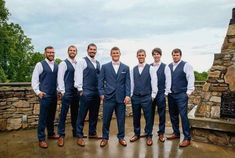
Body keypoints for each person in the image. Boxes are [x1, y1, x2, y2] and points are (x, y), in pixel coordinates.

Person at [98, 47, 131, 147]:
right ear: (111, 54)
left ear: (120, 54)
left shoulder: (126, 67)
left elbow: (127, 83)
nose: (115, 54)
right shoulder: (105, 67)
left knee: (121, 119)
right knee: (106, 119)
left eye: (117, 53)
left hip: (121, 98)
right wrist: (101, 94)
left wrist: (127, 95)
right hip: (108, 97)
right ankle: (105, 137)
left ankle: (121, 137)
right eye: (113, 53)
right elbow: (100, 81)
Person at [31, 46, 59, 149]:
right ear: (45, 53)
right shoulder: (40, 64)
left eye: (52, 52)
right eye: (49, 52)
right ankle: (41, 139)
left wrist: (59, 90)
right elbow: (34, 80)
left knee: (51, 116)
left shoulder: (56, 66)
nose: (51, 54)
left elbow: (57, 80)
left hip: (54, 95)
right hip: (44, 95)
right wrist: (38, 92)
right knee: (43, 117)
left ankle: (51, 134)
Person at [167, 48, 195, 147]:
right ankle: (176, 133)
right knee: (173, 114)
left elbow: (190, 78)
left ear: (180, 55)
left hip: (181, 94)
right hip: (171, 94)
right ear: (172, 55)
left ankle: (187, 138)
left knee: (183, 116)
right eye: (174, 55)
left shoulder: (186, 65)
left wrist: (188, 92)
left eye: (177, 55)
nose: (175, 56)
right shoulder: (169, 66)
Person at [74, 43, 101, 147]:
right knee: (82, 115)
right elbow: (78, 75)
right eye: (91, 49)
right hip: (85, 92)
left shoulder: (98, 63)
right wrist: (80, 90)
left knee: (94, 114)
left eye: (94, 50)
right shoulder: (82, 61)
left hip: (96, 93)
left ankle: (92, 132)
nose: (93, 51)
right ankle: (79, 135)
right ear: (87, 50)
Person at [129, 49, 153, 146]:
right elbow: (131, 83)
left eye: (142, 55)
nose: (141, 57)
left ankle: (149, 135)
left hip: (147, 96)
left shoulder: (150, 68)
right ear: (137, 56)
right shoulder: (133, 69)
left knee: (148, 117)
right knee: (136, 116)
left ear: (145, 56)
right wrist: (131, 94)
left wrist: (153, 95)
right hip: (135, 97)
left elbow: (154, 81)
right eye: (139, 55)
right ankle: (137, 134)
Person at [57, 45, 80, 147]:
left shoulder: (77, 63)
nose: (72, 52)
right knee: (63, 113)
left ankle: (75, 132)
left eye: (74, 50)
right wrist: (62, 91)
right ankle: (61, 135)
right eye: (70, 50)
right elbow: (60, 78)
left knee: (75, 113)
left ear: (76, 52)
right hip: (67, 92)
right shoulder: (63, 63)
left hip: (76, 92)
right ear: (68, 52)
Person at [150, 48, 171, 143]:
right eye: (154, 54)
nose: (156, 55)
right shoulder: (149, 66)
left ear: (160, 55)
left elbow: (168, 81)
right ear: (152, 55)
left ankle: (161, 133)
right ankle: (148, 133)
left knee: (162, 114)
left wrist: (165, 93)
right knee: (149, 114)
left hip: (161, 94)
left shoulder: (165, 67)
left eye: (158, 54)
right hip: (150, 94)